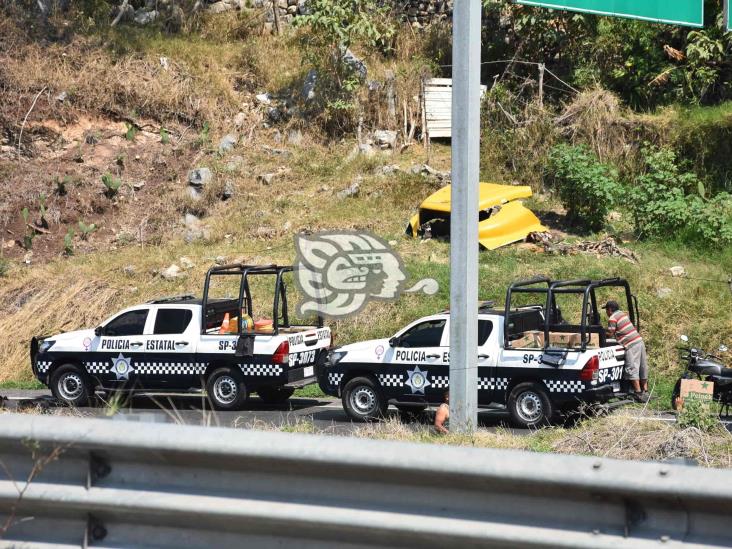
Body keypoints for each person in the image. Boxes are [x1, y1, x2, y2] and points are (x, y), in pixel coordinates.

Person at [604, 300, 649, 403]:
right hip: (639, 341)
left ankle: (638, 393)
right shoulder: (622, 314)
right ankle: (645, 391)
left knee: (632, 368)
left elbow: (610, 333)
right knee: (642, 366)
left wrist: (601, 333)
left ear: (610, 309)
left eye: (606, 310)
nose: (606, 313)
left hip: (631, 344)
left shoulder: (612, 318)